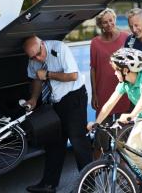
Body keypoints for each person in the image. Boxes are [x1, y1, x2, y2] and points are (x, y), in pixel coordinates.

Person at [88, 47, 142, 191]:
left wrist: (131, 115)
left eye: (116, 70)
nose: (115, 73)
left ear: (126, 70)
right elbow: (109, 104)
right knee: (130, 151)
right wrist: (96, 123)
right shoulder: (124, 84)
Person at [23, 36, 92, 193]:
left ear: (42, 44)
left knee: (78, 141)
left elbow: (73, 75)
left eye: (38, 54)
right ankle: (48, 184)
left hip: (74, 96)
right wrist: (33, 99)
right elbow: (36, 79)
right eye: (32, 57)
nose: (37, 58)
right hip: (55, 101)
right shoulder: (33, 58)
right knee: (53, 142)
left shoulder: (59, 48)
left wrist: (47, 74)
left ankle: (88, 185)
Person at [90, 8, 129, 154]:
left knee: (123, 139)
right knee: (100, 136)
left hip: (123, 91)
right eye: (104, 22)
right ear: (100, 25)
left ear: (115, 20)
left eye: (111, 20)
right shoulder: (95, 43)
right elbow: (93, 69)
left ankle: (122, 174)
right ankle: (94, 172)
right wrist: (94, 94)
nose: (109, 24)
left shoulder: (126, 38)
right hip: (103, 93)